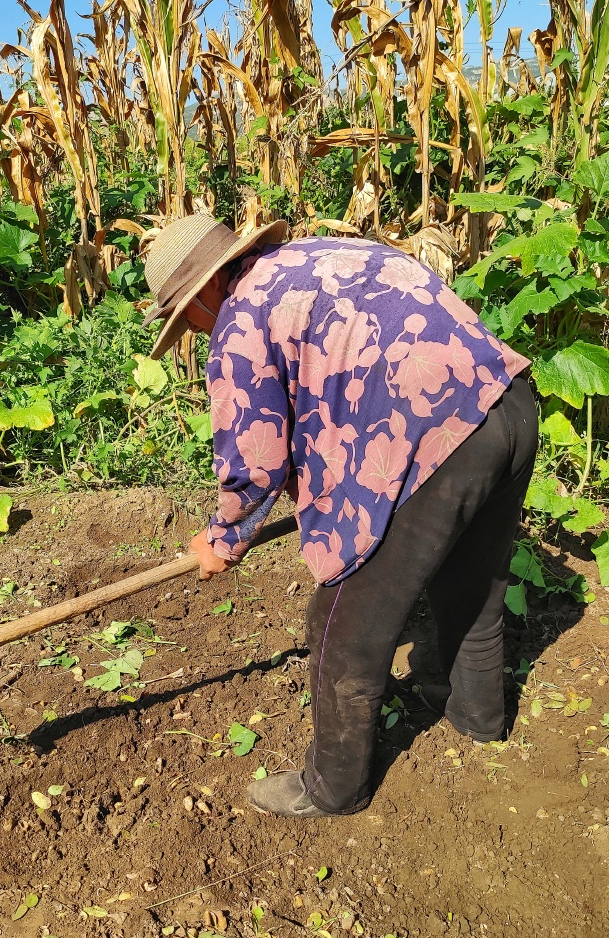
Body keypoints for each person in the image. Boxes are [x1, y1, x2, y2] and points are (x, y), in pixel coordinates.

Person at [142, 214, 538, 818]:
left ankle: (333, 785)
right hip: (506, 406)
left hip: (430, 442)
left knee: (341, 621)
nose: (195, 330)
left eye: (186, 319)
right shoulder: (325, 256)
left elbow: (256, 458)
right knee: (473, 585)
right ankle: (475, 716)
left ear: (205, 292)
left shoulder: (240, 315)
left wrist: (224, 536)